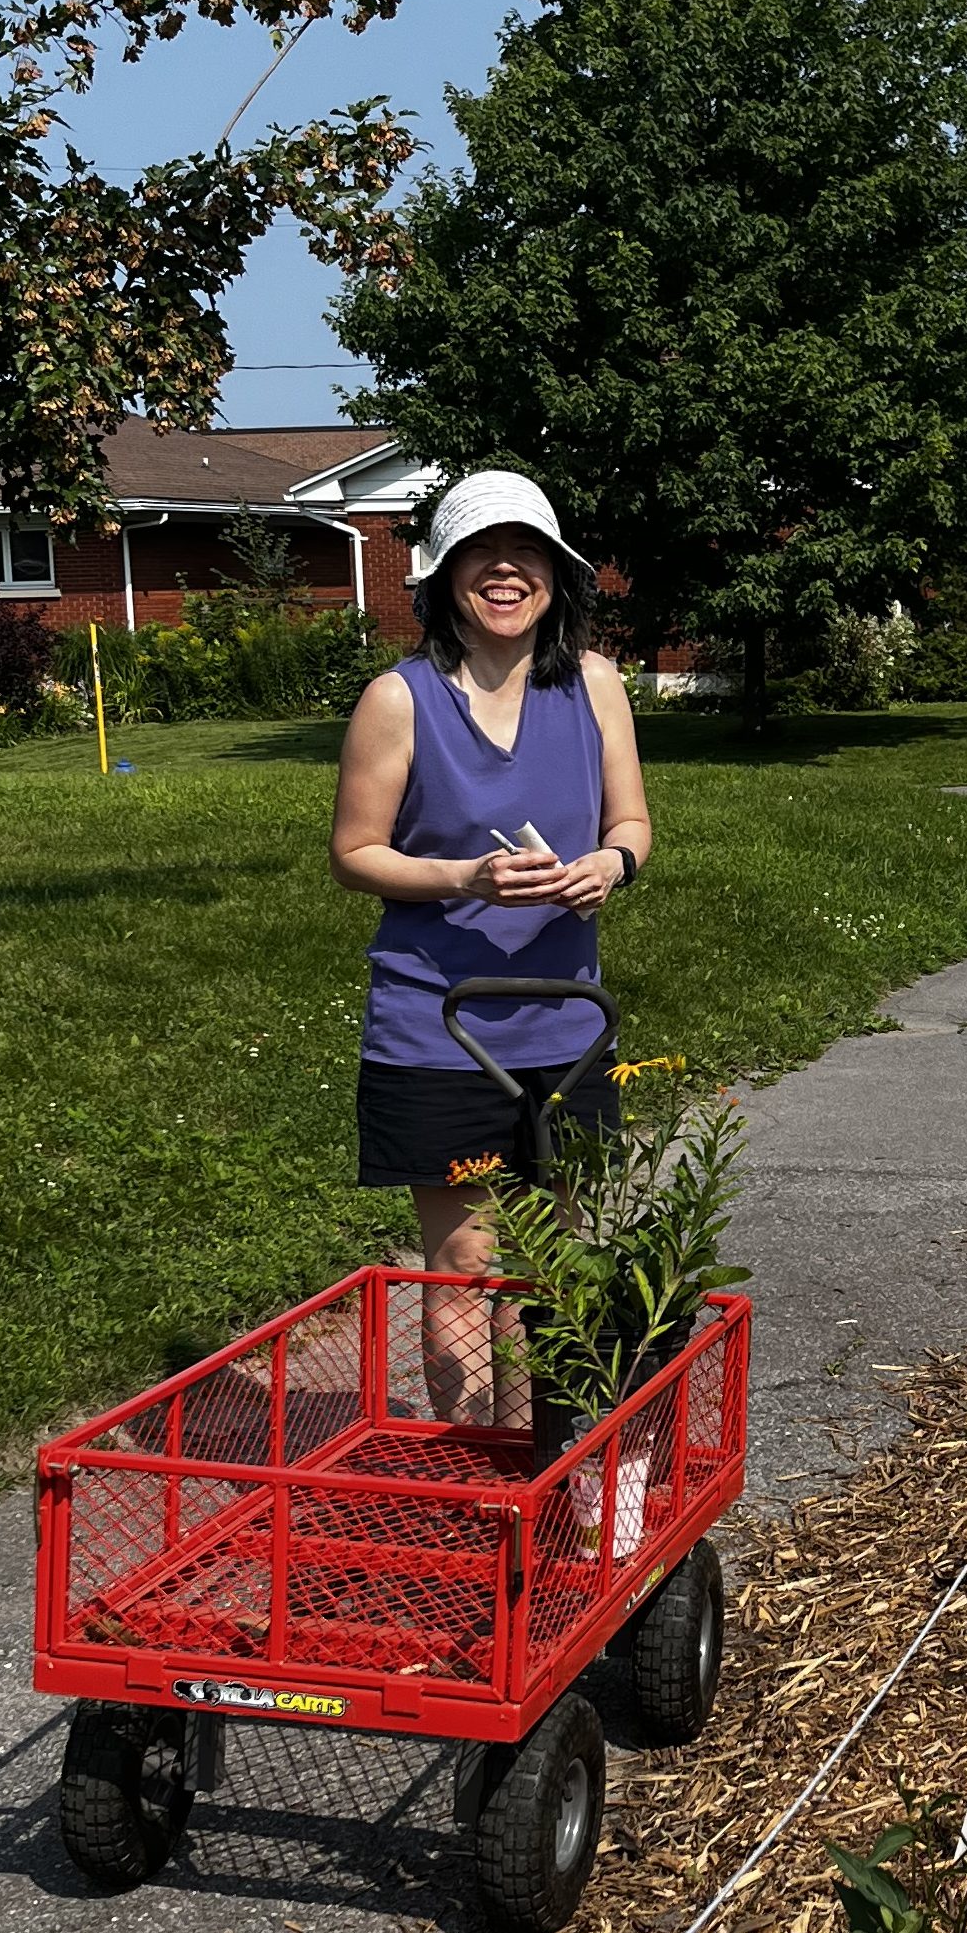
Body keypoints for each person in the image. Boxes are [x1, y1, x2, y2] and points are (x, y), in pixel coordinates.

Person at [331, 471, 652, 1425]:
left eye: (527, 554)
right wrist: (464, 878)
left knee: (556, 1258)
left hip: (567, 1021)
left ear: (557, 576)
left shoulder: (595, 683)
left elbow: (632, 819)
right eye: (481, 552)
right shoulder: (399, 698)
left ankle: (539, 1465)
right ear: (443, 578)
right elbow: (354, 854)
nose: (505, 570)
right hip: (439, 1025)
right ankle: (470, 1473)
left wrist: (610, 864)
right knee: (466, 1264)